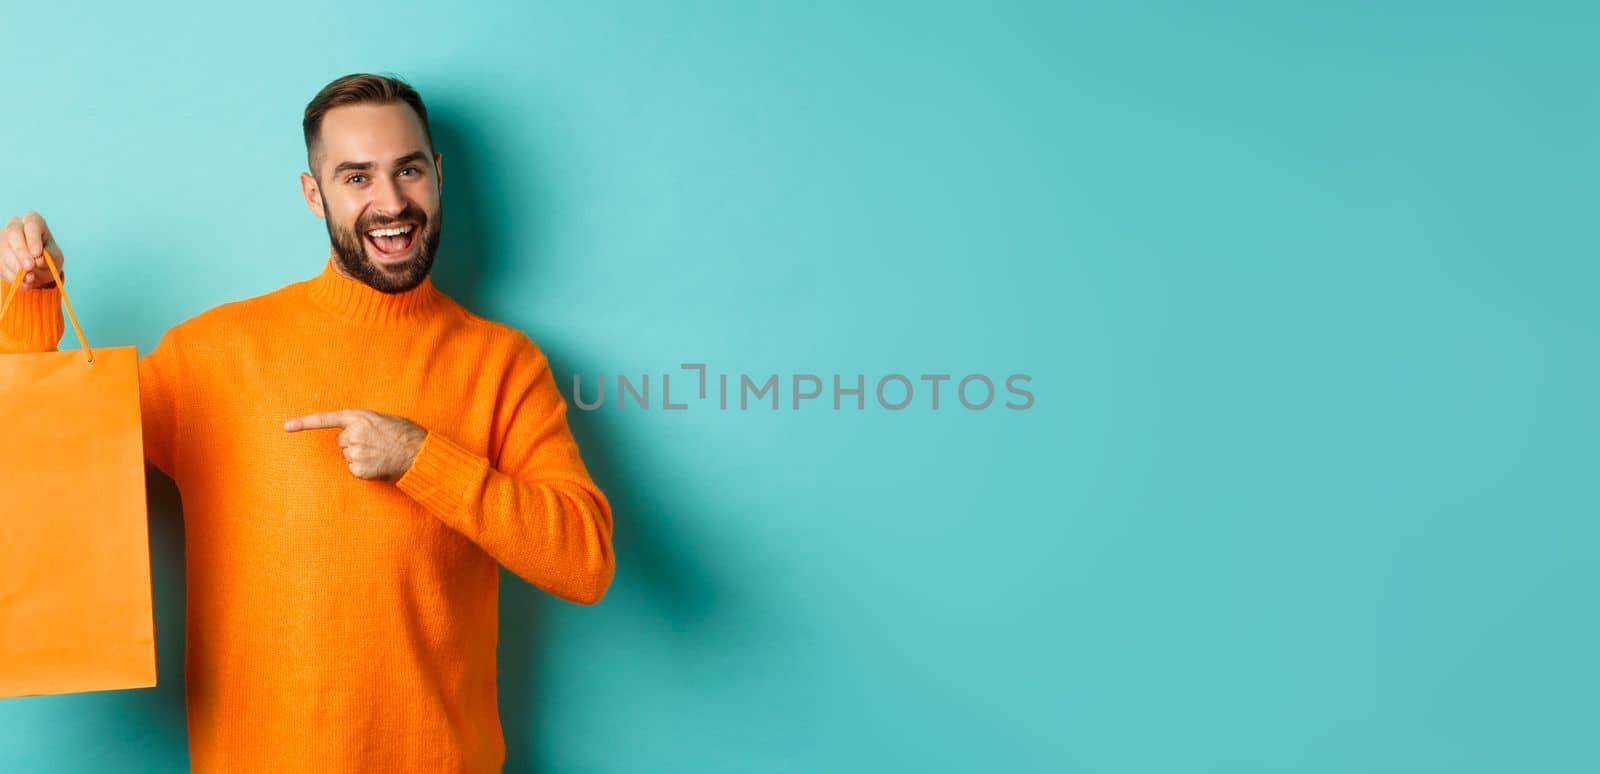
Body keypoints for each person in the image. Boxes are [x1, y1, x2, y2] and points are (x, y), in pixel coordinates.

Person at [0, 73, 616, 773]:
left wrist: (423, 458)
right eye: (356, 178)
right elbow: (45, 454)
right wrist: (28, 305)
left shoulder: (504, 363)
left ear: (438, 176)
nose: (391, 203)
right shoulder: (213, 353)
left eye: (408, 170)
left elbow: (584, 563)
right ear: (313, 194)